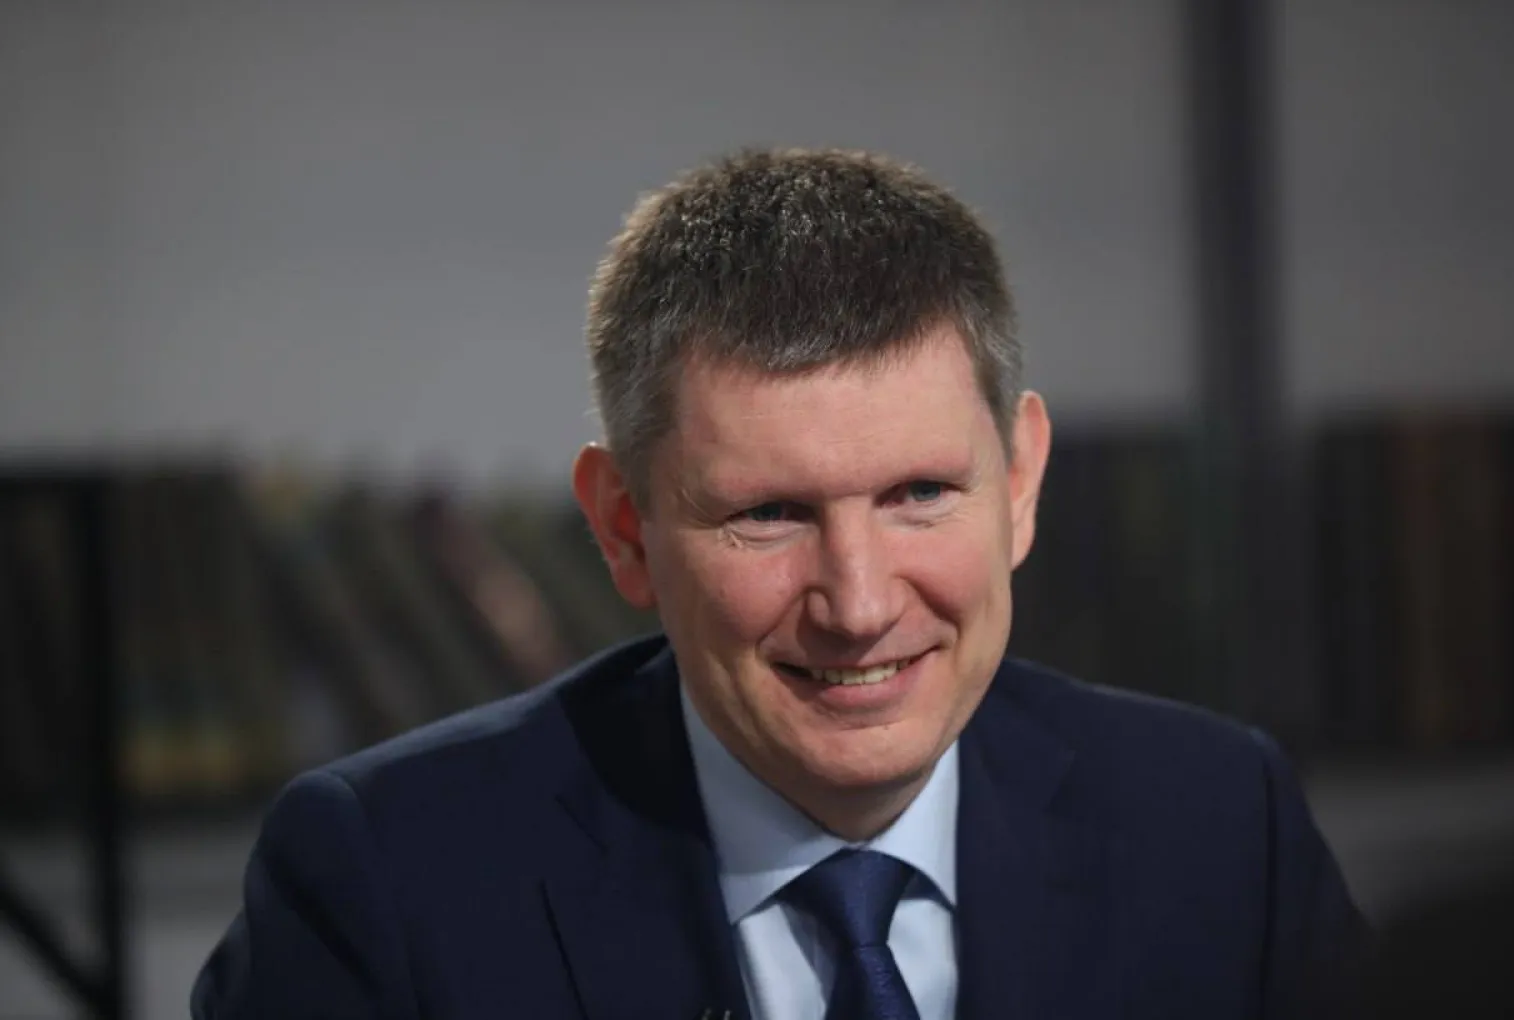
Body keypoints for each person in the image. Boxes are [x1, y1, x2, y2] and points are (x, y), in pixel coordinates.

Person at [192, 147, 1367, 1019]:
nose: (858, 605)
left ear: (1019, 482)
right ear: (623, 527)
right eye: (767, 515)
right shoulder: (388, 879)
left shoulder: (1220, 830)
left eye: (919, 493)